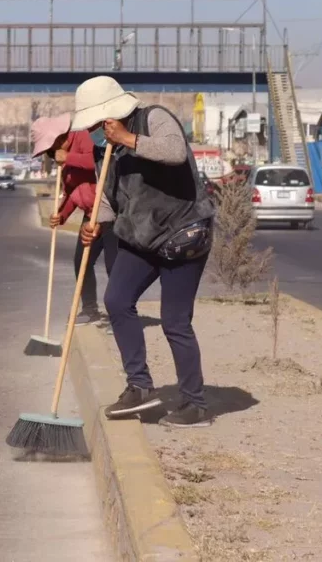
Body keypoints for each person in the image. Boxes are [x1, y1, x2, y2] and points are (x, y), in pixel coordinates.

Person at [72, 75, 217, 428]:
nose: (91, 129)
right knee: (117, 300)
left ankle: (195, 404)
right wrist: (95, 224)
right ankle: (139, 386)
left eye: (93, 121)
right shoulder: (103, 148)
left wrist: (129, 139)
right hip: (141, 237)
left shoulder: (154, 118)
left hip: (183, 234)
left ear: (110, 113)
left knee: (175, 321)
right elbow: (110, 196)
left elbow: (174, 152)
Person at [30, 114, 118, 325]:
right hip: (90, 215)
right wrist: (61, 215)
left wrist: (67, 158)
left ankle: (119, 316)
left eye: (50, 150)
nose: (52, 155)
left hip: (110, 213)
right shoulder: (64, 159)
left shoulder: (85, 135)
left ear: (60, 138)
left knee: (114, 266)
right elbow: (71, 192)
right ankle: (89, 309)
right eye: (49, 153)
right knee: (82, 262)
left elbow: (96, 162)